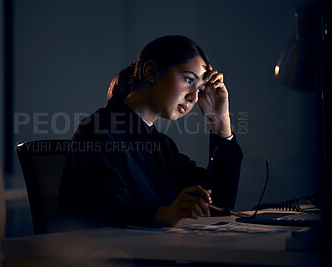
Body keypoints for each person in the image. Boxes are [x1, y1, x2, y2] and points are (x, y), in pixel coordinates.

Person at [56, 35, 242, 229]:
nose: (193, 97)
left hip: (158, 254)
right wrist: (164, 213)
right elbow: (102, 209)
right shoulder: (97, 131)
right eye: (188, 79)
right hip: (110, 257)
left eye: (200, 89)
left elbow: (218, 206)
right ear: (151, 72)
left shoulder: (163, 146)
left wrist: (221, 122)